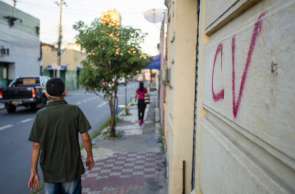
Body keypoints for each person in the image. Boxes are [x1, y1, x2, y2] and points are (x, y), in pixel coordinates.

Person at [27, 78, 94, 194]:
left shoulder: (40, 115)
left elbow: (36, 146)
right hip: (71, 168)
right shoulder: (74, 110)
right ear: (65, 92)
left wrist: (33, 171)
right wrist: (90, 156)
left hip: (50, 171)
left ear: (47, 93)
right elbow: (85, 137)